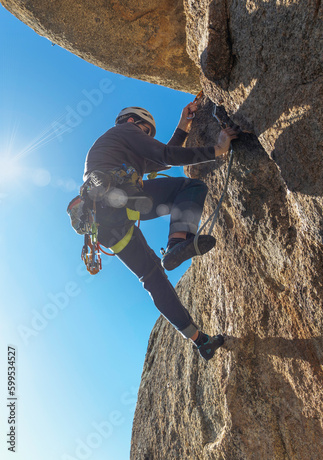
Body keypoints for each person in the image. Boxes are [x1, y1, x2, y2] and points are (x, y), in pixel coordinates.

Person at [83, 101, 238, 361]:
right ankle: (177, 243)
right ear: (132, 121)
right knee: (192, 188)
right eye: (146, 131)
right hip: (119, 197)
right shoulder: (124, 131)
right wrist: (217, 148)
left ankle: (200, 341)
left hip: (104, 226)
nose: (146, 136)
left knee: (152, 277)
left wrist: (183, 125)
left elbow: (161, 157)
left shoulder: (117, 149)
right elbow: (164, 154)